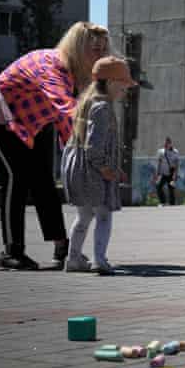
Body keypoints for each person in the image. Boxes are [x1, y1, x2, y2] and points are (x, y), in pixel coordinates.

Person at [0, 22, 110, 270]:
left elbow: (66, 125)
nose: (99, 55)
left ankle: (62, 247)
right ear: (78, 48)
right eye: (94, 49)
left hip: (35, 123)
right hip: (0, 116)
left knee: (43, 181)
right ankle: (11, 252)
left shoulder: (76, 75)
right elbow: (67, 109)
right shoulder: (49, 65)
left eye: (103, 50)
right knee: (15, 177)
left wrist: (82, 156)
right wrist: (97, 144)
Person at [61, 56, 136, 275]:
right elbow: (94, 147)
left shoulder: (88, 102)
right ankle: (100, 260)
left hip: (78, 169)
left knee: (83, 217)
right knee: (103, 215)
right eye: (124, 85)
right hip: (92, 172)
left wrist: (114, 167)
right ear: (111, 82)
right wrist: (105, 168)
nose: (125, 90)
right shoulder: (103, 107)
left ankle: (73, 259)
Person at [155, 137, 179, 206]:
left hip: (171, 174)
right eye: (165, 143)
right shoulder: (161, 151)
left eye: (167, 143)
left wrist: (175, 174)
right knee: (158, 186)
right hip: (163, 174)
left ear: (170, 144)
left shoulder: (175, 152)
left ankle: (172, 203)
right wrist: (157, 173)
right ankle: (163, 202)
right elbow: (159, 163)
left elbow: (177, 164)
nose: (166, 144)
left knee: (171, 188)